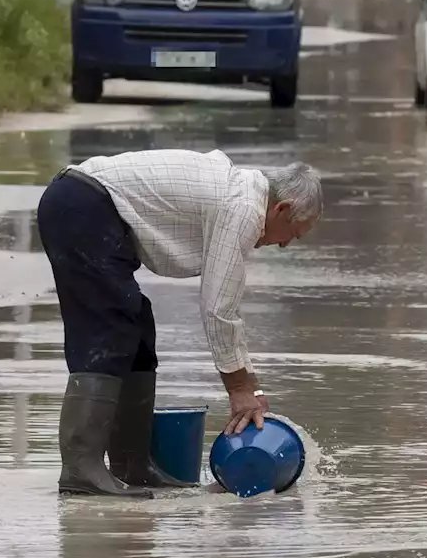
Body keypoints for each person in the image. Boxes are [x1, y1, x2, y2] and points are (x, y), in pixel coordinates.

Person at [36, 151, 323, 497]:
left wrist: (252, 387)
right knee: (109, 327)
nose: (285, 244)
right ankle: (82, 470)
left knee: (137, 329)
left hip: (89, 207)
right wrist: (239, 389)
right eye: (293, 233)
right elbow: (218, 307)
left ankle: (133, 466)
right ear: (281, 208)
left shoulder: (243, 196)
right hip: (82, 204)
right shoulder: (244, 208)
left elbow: (226, 307)